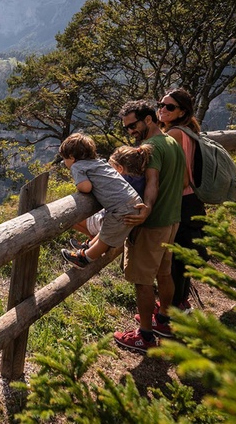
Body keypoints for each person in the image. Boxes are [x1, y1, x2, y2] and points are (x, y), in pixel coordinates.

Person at [113, 100, 186, 352]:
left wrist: (147, 210)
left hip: (152, 224)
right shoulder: (172, 141)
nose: (130, 131)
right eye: (126, 128)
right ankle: (163, 320)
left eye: (132, 125)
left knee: (142, 281)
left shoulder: (150, 147)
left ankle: (144, 336)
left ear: (148, 119)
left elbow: (152, 182)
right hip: (172, 219)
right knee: (164, 273)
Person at [56, 133, 143, 268]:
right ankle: (88, 245)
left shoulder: (77, 166)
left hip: (121, 208)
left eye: (64, 159)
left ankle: (84, 258)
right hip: (134, 201)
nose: (65, 162)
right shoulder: (99, 162)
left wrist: (79, 185)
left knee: (105, 239)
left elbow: (86, 187)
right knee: (107, 229)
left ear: (72, 157)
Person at [157, 88, 208, 313]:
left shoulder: (174, 135)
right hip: (193, 201)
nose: (163, 109)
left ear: (182, 112)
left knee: (175, 259)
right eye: (161, 104)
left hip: (181, 202)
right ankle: (181, 302)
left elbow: (183, 178)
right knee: (183, 254)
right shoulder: (189, 131)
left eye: (170, 107)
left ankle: (170, 311)